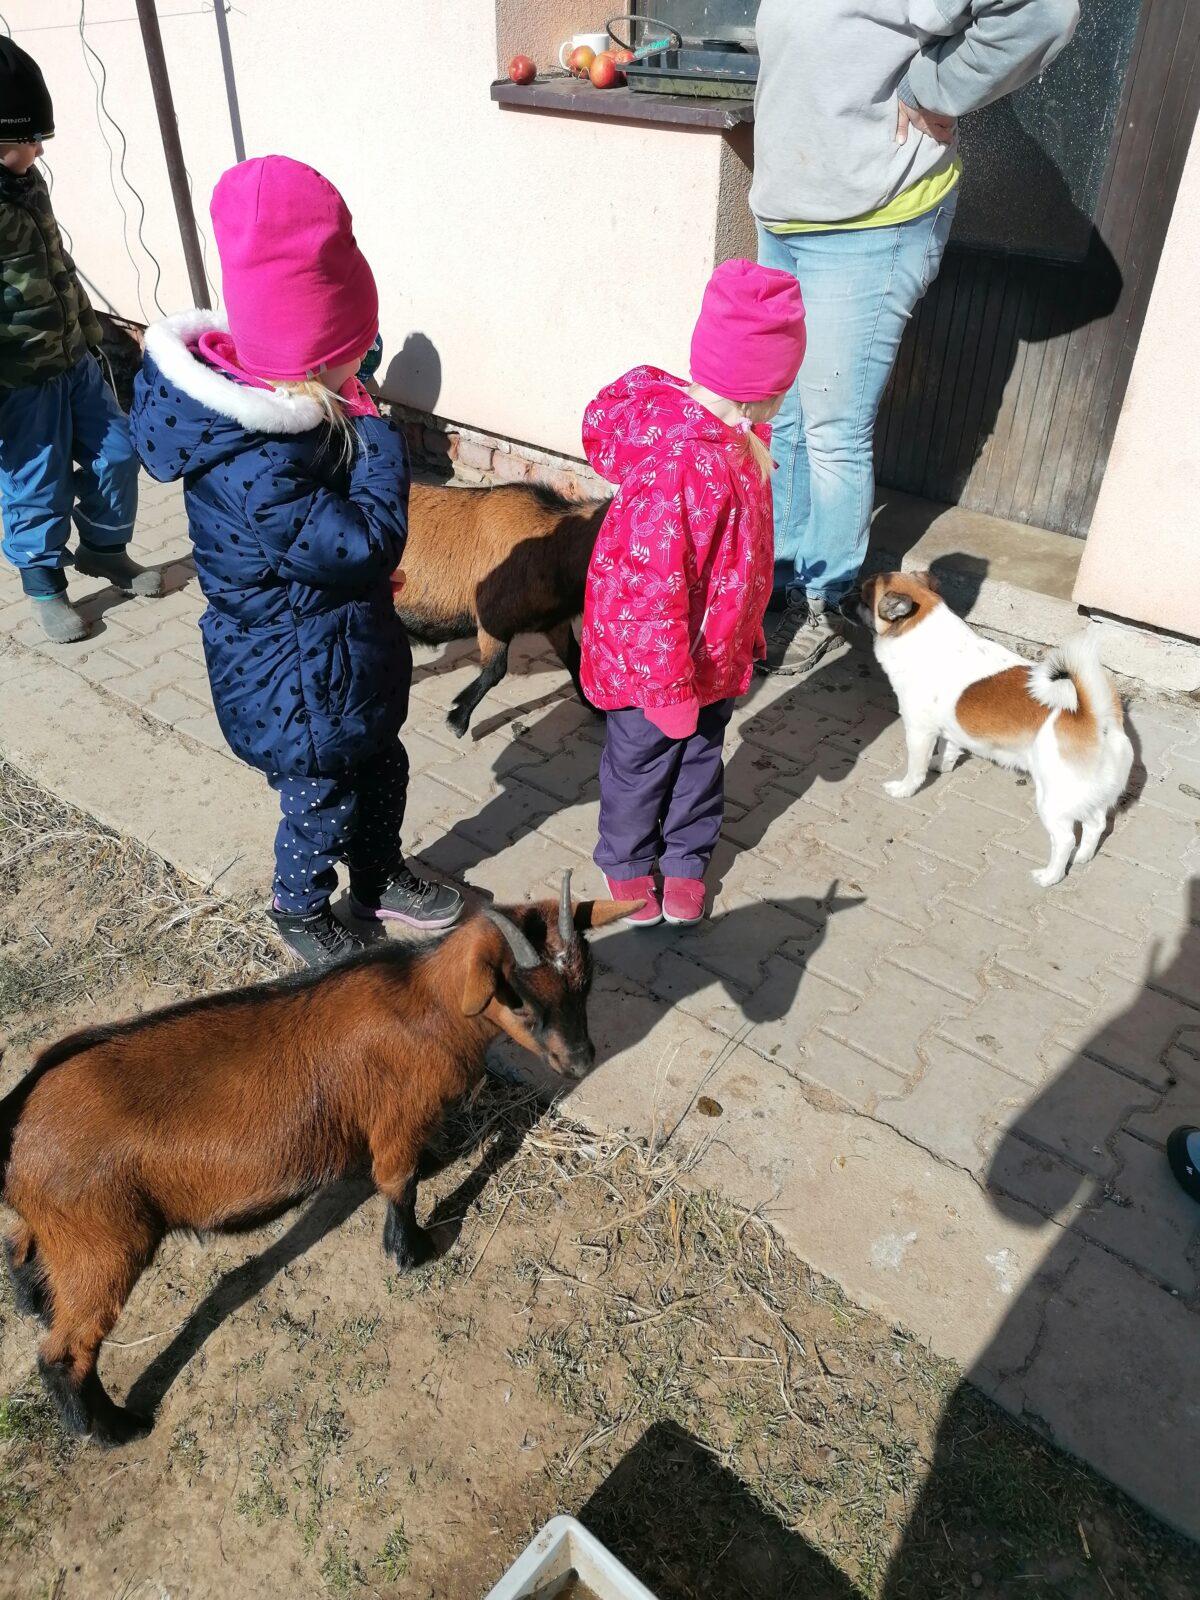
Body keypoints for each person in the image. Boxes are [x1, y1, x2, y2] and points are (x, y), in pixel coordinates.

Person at [129, 155, 462, 967]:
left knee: (382, 766)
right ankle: (300, 907)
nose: (365, 370)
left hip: (338, 656)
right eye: (354, 355)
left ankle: (378, 878)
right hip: (294, 682)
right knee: (322, 799)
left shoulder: (295, 418)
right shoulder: (252, 462)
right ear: (311, 361)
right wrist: (381, 441)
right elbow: (361, 541)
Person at [751, 0, 1080, 673]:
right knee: (782, 415)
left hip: (869, 220)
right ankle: (774, 578)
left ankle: (821, 594)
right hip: (787, 214)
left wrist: (936, 87)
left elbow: (1044, 12)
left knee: (831, 429)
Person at [580, 259, 807, 926]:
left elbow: (743, 561)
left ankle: (685, 858)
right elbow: (650, 594)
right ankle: (624, 864)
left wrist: (745, 631)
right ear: (757, 389)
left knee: (702, 757)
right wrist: (668, 687)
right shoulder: (683, 468)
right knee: (640, 764)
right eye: (782, 389)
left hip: (712, 655)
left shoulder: (740, 446)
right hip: (653, 666)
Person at [0, 38, 158, 644]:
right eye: (27, 139)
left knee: (117, 453)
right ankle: (43, 583)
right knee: (38, 480)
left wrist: (89, 335)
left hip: (74, 355)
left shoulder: (25, 180)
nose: (38, 151)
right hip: (19, 377)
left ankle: (103, 549)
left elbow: (54, 261)